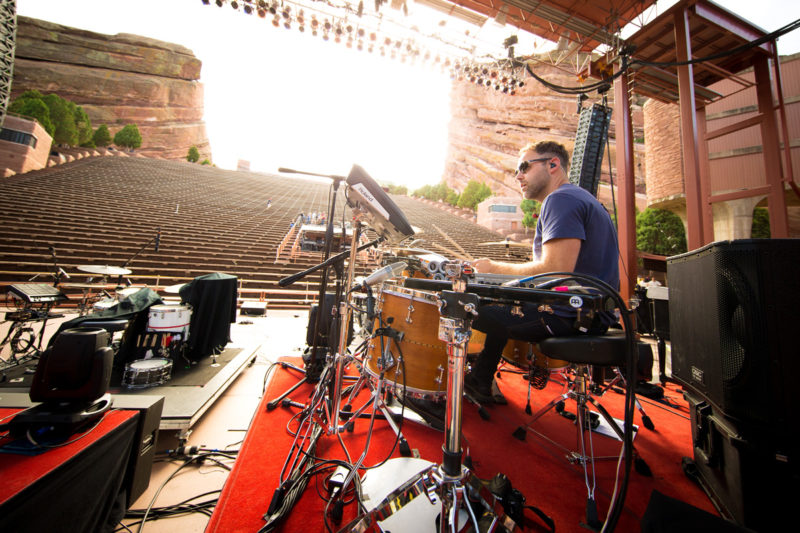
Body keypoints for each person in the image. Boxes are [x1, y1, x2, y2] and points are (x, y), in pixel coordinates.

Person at [465, 140, 620, 404]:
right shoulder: (582, 199)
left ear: (553, 164)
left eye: (524, 167)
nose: (518, 175)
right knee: (500, 301)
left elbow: (555, 270)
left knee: (462, 305)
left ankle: (438, 387)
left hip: (568, 315)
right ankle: (481, 379)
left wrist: (492, 268)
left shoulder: (560, 199)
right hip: (591, 314)